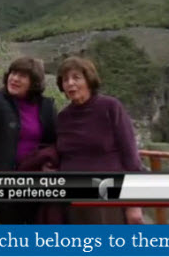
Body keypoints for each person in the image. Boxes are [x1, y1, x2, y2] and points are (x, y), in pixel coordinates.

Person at [0, 38, 57, 224]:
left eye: (22, 76)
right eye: (13, 73)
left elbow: (53, 141)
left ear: (34, 82)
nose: (14, 79)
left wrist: (49, 163)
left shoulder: (46, 107)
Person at [56, 57, 144, 224]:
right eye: (65, 79)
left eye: (76, 77)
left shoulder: (110, 107)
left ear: (89, 80)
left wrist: (134, 204)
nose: (70, 83)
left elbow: (131, 156)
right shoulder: (63, 117)